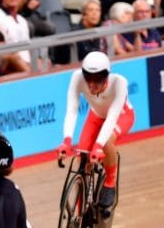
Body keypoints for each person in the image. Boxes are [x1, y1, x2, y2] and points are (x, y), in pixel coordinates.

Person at [57, 51, 134, 210]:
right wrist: (67, 141)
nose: (91, 84)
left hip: (122, 116)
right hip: (96, 116)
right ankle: (79, 212)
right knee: (82, 159)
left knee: (105, 143)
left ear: (106, 76)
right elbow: (72, 110)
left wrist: (98, 146)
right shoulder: (77, 77)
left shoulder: (119, 83)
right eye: (88, 79)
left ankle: (110, 181)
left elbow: (112, 117)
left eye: (97, 80)